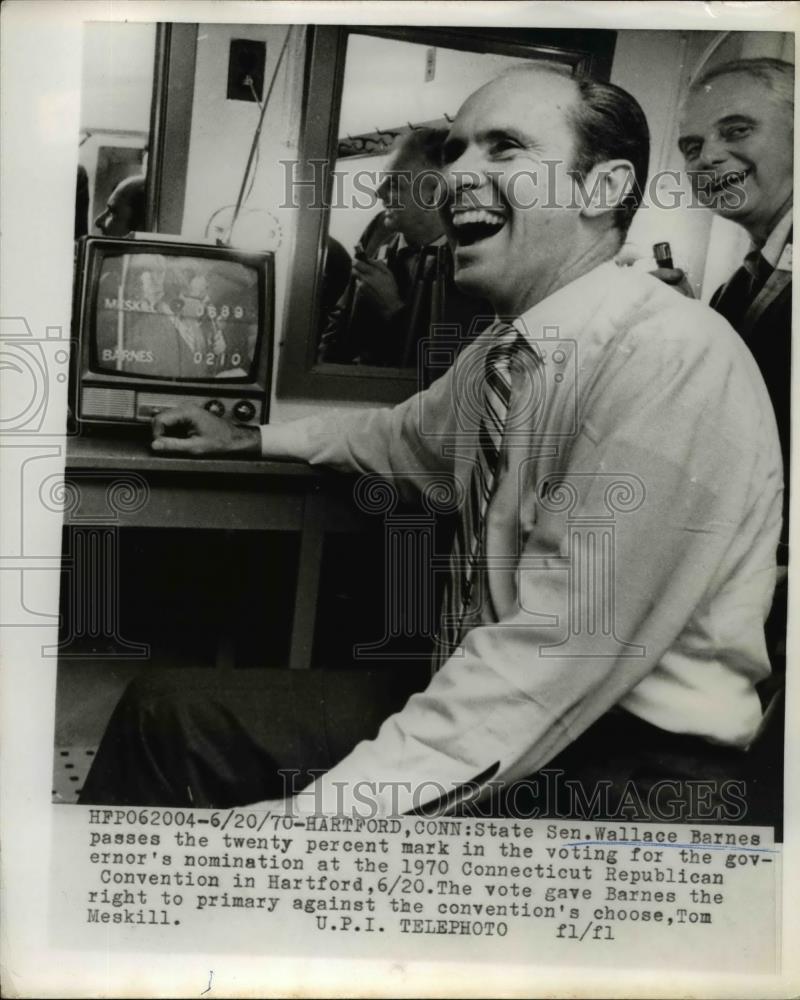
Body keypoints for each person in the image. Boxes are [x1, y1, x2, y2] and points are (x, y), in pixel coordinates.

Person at [80, 65, 782, 823]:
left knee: (276, 827)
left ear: (602, 187)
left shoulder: (670, 356)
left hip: (630, 769)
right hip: (523, 709)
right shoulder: (505, 353)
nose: (453, 178)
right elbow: (398, 438)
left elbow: (547, 663)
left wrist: (299, 827)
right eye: (454, 153)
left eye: (504, 148)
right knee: (167, 714)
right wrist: (253, 437)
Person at [318, 128, 492, 375]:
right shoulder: (378, 229)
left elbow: (449, 370)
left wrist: (393, 311)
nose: (378, 193)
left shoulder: (475, 261)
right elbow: (338, 319)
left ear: (435, 194)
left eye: (394, 184)